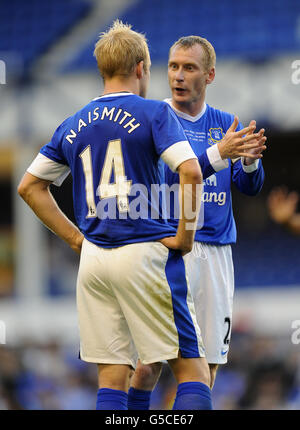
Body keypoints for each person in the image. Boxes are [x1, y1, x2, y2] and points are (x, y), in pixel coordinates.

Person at [17, 21, 215, 410]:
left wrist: (76, 239)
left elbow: (30, 186)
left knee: (111, 379)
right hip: (145, 252)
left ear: (102, 70)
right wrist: (185, 238)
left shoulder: (72, 123)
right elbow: (190, 171)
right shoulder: (154, 112)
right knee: (192, 372)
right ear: (142, 67)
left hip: (94, 262)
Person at [127, 35, 266, 410]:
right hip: (172, 248)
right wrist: (219, 155)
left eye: (189, 67)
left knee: (209, 366)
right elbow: (171, 181)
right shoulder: (156, 119)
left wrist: (249, 160)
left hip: (217, 254)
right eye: (173, 66)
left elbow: (249, 187)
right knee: (150, 363)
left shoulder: (225, 123)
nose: (178, 75)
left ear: (210, 75)